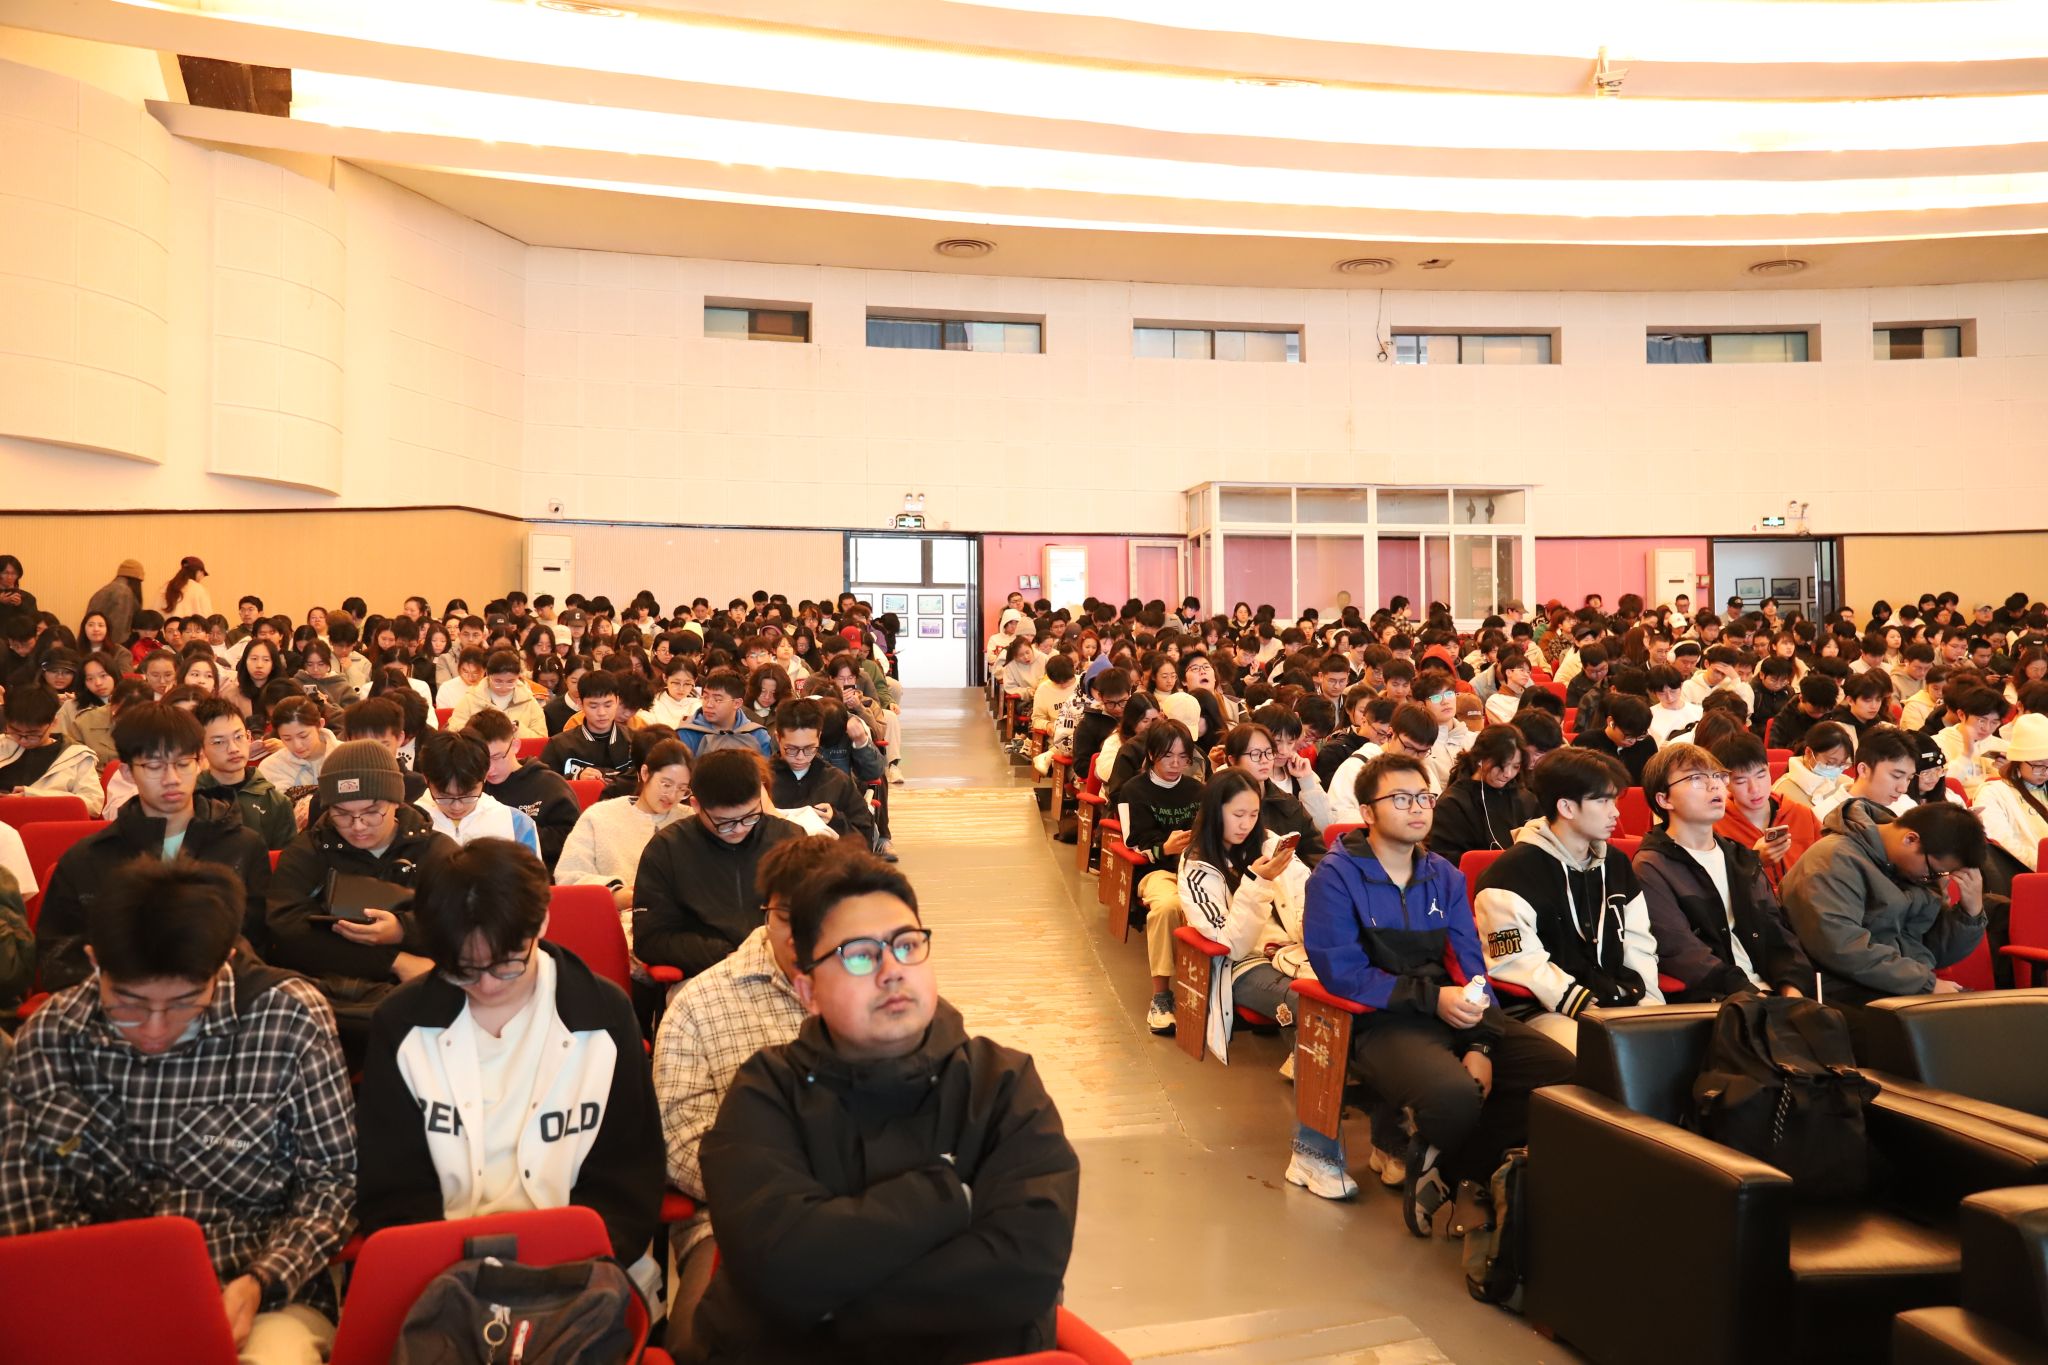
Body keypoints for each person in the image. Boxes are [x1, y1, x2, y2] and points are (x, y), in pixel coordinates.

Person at [691, 852, 1079, 1364]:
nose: (892, 971)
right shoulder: (765, 1093)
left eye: (906, 945)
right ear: (808, 990)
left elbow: (1025, 1268)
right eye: (859, 955)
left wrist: (830, 1308)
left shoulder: (1002, 1085)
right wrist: (947, 1196)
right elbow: (781, 1267)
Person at [0, 861, 354, 1364]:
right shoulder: (55, 1032)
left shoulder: (286, 1017)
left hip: (256, 1291)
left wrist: (261, 1280)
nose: (154, 1030)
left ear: (223, 963)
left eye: (185, 1004)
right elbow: (27, 1199)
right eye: (128, 1003)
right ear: (95, 962)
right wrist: (104, 1298)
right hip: (95, 1289)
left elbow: (333, 1181)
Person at [356, 837, 665, 1297]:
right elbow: (391, 1186)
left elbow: (628, 1176)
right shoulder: (402, 1024)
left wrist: (564, 1270)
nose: (486, 986)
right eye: (463, 969)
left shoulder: (602, 1015)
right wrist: (457, 1275)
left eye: (506, 965)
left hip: (581, 1270)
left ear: (542, 923)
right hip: (443, 1276)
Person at [1303, 753, 1575, 1229]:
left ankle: (1448, 1166)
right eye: (1400, 798)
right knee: (1453, 1096)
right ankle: (1453, 1163)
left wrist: (1481, 1043)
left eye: (1424, 797)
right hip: (1380, 1018)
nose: (1417, 808)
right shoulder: (1335, 876)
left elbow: (1470, 966)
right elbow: (1343, 973)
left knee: (1561, 1075)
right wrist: (1435, 1001)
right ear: (1367, 812)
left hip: (1452, 1008)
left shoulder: (1443, 875)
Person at [651, 836, 840, 1357]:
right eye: (786, 917)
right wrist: (788, 1198)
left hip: (870, 1211)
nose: (801, 935)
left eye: (820, 918)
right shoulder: (700, 1005)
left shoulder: (875, 993)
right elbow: (679, 1143)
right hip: (736, 1222)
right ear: (766, 912)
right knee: (707, 1344)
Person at [34, 701, 272, 992]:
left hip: (217, 999)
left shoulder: (243, 847)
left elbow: (259, 947)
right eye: (154, 766)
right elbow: (58, 960)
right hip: (117, 1003)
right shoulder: (87, 858)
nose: (172, 779)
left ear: (200, 762)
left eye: (183, 764)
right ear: (127, 772)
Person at [1473, 747, 1664, 1052]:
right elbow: (1519, 963)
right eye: (1603, 801)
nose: (1615, 812)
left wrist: (1650, 1004)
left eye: (1614, 800)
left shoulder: (1615, 863)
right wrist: (1588, 1005)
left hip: (1618, 1000)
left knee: (1669, 1049)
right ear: (1566, 807)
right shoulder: (1508, 874)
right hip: (1544, 1009)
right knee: (1609, 1059)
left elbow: (1638, 942)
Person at [264, 740, 456, 1042]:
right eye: (341, 813)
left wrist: (403, 930)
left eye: (372, 812)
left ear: (396, 801)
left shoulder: (436, 850)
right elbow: (286, 931)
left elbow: (462, 925)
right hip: (322, 1006)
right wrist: (394, 960)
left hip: (416, 1007)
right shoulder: (309, 850)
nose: (358, 826)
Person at [1632, 744, 1814, 1002]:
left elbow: (1778, 935)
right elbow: (1683, 953)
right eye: (1696, 778)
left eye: (1718, 776)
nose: (1715, 786)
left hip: (1771, 994)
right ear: (1664, 800)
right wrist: (1758, 999)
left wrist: (1792, 990)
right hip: (1719, 1001)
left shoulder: (1740, 857)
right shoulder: (1652, 866)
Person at [1780, 800, 1990, 1008]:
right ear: (1910, 839)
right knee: (1957, 1021)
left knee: (1982, 1013)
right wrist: (1925, 984)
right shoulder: (1834, 860)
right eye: (1933, 871)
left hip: (1895, 983)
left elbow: (1934, 952)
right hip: (1840, 988)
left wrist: (1970, 912)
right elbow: (1840, 947)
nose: (1932, 878)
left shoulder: (1909, 868)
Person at [634, 748, 810, 976]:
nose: (739, 829)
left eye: (750, 816)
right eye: (724, 822)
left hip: (782, 966)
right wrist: (725, 954)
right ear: (696, 805)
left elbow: (813, 916)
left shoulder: (788, 838)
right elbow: (650, 939)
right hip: (707, 971)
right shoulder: (667, 848)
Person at [1176, 769, 1311, 1065]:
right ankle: (1317, 1075)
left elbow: (1305, 891)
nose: (1246, 824)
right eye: (1238, 815)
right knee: (1311, 1006)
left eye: (1253, 814)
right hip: (1242, 964)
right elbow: (1232, 945)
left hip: (1292, 949)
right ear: (1215, 811)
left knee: (1346, 992)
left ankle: (1316, 1066)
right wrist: (1259, 882)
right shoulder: (1197, 867)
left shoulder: (1269, 843)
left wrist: (1308, 926)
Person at [556, 736, 693, 931]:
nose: (672, 796)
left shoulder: (689, 820)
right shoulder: (600, 816)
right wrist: (614, 894)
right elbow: (569, 876)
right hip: (612, 924)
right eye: (666, 784)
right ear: (645, 773)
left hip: (677, 926)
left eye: (682, 789)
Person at [1118, 720, 1203, 1035]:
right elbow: (1132, 841)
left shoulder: (1198, 790)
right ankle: (1161, 996)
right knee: (1168, 907)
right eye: (1168, 756)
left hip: (1198, 868)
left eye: (1183, 757)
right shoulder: (1133, 791)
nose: (1176, 764)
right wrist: (1164, 847)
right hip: (1157, 871)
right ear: (1152, 754)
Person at [1427, 724, 1538, 872]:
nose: (1508, 774)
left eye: (1515, 767)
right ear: (1481, 759)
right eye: (1501, 765)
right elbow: (1446, 863)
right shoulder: (1452, 804)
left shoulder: (1525, 799)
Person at [414, 728, 542, 856]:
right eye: (444, 796)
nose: (457, 807)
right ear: (426, 779)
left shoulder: (516, 824)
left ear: (485, 776)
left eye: (468, 796)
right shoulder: (411, 821)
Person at [768, 697, 876, 848]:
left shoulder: (836, 781)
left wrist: (835, 820)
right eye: (791, 749)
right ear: (778, 738)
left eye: (809, 748)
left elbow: (865, 838)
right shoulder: (761, 780)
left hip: (826, 860)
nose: (800, 757)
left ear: (819, 737)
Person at [192, 696, 296, 850]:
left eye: (238, 737)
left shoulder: (276, 803)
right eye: (219, 742)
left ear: (249, 737)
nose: (233, 748)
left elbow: (284, 860)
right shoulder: (190, 799)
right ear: (200, 748)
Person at [0, 683, 105, 815]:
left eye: (33, 734)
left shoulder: (77, 756)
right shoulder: (3, 743)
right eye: (15, 732)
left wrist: (34, 797)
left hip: (46, 821)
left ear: (54, 723)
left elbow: (94, 804)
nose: (23, 740)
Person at [1972, 713, 2048, 882]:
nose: (2045, 773)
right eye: (2039, 766)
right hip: (2026, 875)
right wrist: (2041, 865)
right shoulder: (1994, 792)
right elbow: (2003, 845)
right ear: (2018, 761)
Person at [538, 666, 635, 784]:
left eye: (608, 705)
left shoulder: (634, 741)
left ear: (617, 701)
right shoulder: (559, 745)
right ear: (580, 704)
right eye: (593, 706)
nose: (602, 713)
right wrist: (576, 778)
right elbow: (542, 783)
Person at [1812, 725, 1921, 825]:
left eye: (1909, 778)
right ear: (1863, 770)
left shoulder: (1908, 808)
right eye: (1896, 776)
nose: (1903, 789)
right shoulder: (1822, 815)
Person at [448, 648, 548, 738]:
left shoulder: (528, 701)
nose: (504, 687)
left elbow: (541, 739)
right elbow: (454, 731)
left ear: (518, 677)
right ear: (488, 675)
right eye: (498, 681)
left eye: (510, 682)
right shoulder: (472, 698)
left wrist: (518, 730)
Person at [677, 668, 773, 758]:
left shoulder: (757, 734)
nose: (709, 704)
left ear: (737, 703)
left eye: (718, 700)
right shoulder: (687, 734)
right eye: (705, 697)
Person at [1572, 691, 1658, 786]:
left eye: (1639, 736)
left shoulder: (1647, 743)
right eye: (1628, 736)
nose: (1633, 741)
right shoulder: (1586, 742)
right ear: (1611, 722)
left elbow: (1654, 780)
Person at [1773, 720, 1854, 813]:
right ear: (1808, 752)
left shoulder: (1847, 784)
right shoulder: (1782, 791)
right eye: (1829, 763)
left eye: (1841, 764)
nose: (1835, 769)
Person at [82, 558, 144, 651]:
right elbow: (119, 632)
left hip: (93, 645)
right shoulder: (124, 594)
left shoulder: (105, 589)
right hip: (109, 648)